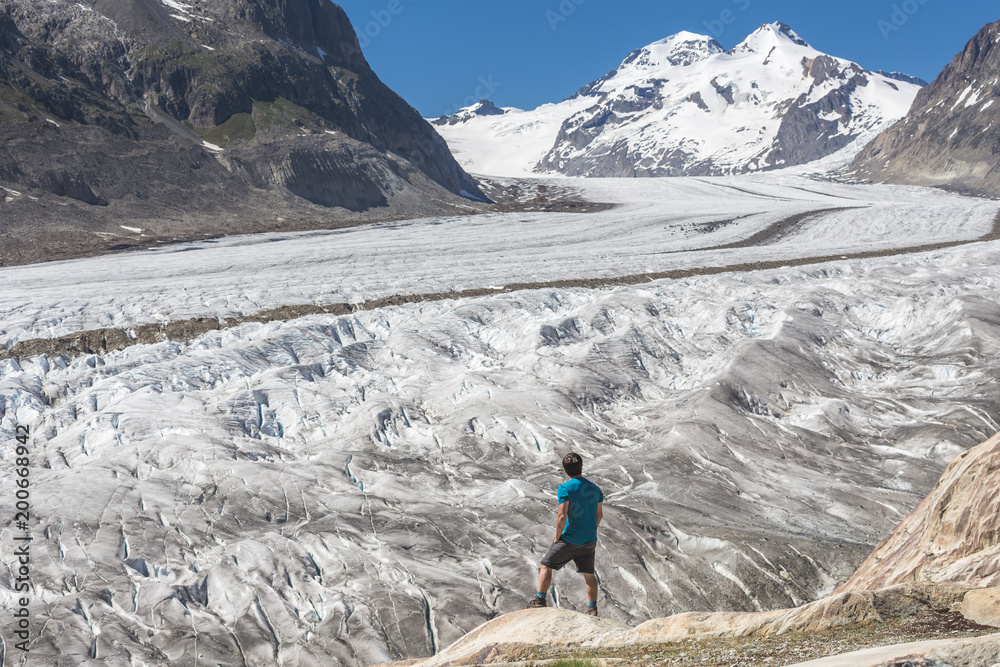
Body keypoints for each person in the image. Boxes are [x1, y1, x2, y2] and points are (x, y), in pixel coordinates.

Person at [527, 452, 604, 616]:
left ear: (564, 469)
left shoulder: (565, 488)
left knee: (546, 564)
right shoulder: (595, 489)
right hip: (589, 539)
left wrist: (557, 536)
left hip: (570, 538)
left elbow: (562, 515)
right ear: (582, 467)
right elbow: (599, 515)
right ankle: (592, 609)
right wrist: (590, 529)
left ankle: (540, 600)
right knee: (589, 574)